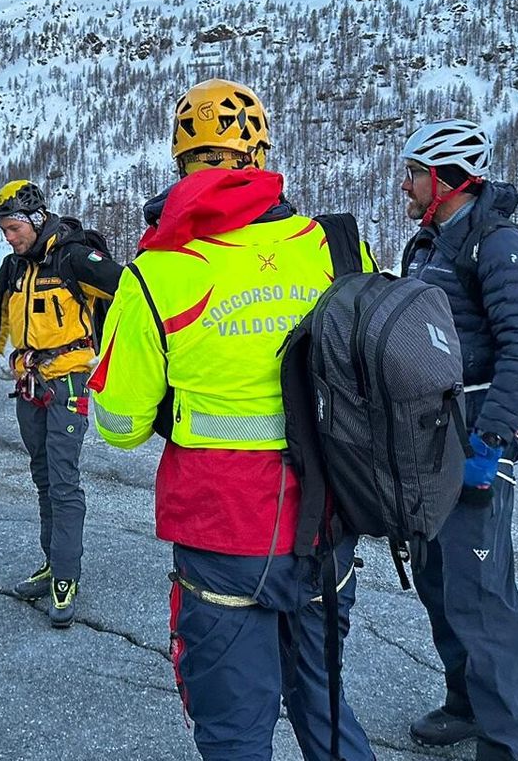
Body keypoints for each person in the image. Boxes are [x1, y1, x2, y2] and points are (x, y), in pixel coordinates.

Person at [88, 79, 379, 760]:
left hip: (223, 538)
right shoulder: (336, 248)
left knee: (234, 733)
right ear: (261, 154)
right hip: (329, 524)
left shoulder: (156, 273)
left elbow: (120, 424)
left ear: (180, 161)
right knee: (327, 709)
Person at [397, 119, 518, 761]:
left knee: (482, 597)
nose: (404, 186)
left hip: (476, 438)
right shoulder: (433, 242)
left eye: (413, 174)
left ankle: (514, 745)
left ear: (444, 178)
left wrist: (491, 442)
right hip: (430, 440)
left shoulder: (499, 244)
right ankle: (466, 702)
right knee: (439, 583)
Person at [0, 179, 122, 627]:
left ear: (36, 220)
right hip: (29, 386)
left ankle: (66, 575)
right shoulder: (14, 267)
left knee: (63, 481)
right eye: (4, 230)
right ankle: (52, 562)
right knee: (43, 477)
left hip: (68, 384)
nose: (9, 237)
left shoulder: (74, 257)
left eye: (13, 229)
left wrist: (113, 357)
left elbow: (129, 294)